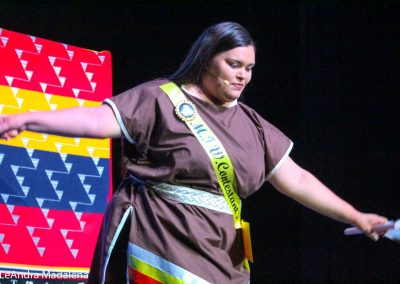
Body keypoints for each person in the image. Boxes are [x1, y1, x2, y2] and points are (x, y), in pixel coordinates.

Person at [0, 22, 388, 283]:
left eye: (249, 68)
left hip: (223, 249)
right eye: (233, 64)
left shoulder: (253, 125)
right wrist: (31, 118)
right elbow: (98, 123)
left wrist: (357, 216)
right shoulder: (159, 98)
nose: (243, 76)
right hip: (164, 236)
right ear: (206, 59)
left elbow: (296, 179)